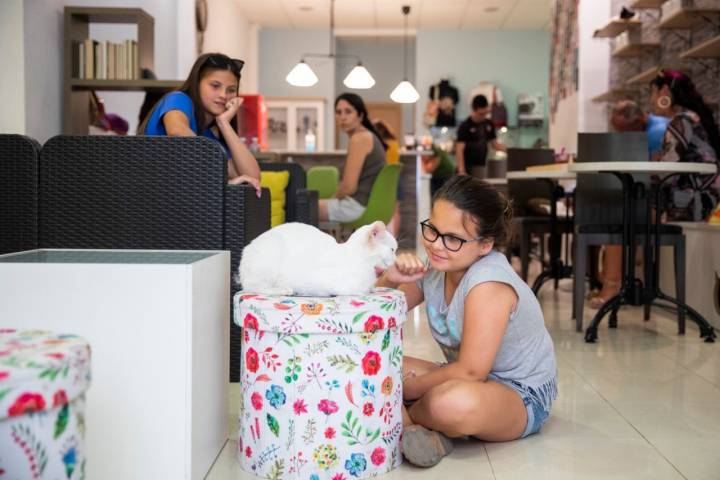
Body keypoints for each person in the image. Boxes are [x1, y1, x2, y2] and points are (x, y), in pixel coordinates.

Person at [377, 176, 557, 467]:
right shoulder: (438, 266)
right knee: (373, 363)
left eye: (453, 239)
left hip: (519, 394)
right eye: (432, 230)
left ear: (485, 245)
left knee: (448, 404)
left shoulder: (488, 284)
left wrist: (407, 390)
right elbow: (374, 320)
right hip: (464, 377)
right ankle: (418, 431)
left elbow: (471, 371)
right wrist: (389, 278)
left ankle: (408, 420)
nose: (436, 245)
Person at [138, 53, 261, 193]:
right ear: (197, 84)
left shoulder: (210, 136)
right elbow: (177, 131)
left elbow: (252, 178)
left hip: (183, 202)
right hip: (151, 197)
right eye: (215, 86)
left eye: (231, 90)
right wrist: (223, 180)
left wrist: (224, 123)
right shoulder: (179, 99)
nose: (223, 95)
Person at [590, 100, 669, 308]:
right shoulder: (653, 127)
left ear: (640, 119)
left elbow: (654, 172)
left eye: (627, 131)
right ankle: (607, 279)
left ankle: (612, 285)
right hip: (658, 196)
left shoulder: (657, 132)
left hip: (668, 200)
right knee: (615, 213)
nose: (625, 137)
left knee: (619, 216)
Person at [650, 70, 720, 221]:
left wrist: (654, 167)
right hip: (706, 197)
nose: (652, 100)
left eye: (654, 93)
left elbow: (667, 168)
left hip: (697, 202)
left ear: (665, 92)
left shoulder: (682, 121)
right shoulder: (691, 117)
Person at [319, 93, 387, 223]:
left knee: (303, 206)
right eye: (338, 112)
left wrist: (332, 199)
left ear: (360, 115)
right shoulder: (366, 136)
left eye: (348, 112)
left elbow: (349, 187)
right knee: (309, 205)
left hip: (356, 206)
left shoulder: (359, 139)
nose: (342, 117)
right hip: (364, 204)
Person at [455, 95, 507, 179]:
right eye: (481, 114)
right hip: (468, 167)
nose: (483, 116)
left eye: (486, 113)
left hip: (481, 166)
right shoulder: (465, 126)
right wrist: (461, 170)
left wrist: (511, 151)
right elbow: (459, 148)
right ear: (474, 110)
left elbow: (495, 144)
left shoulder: (488, 124)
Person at [373, 119, 401, 236]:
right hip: (396, 179)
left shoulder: (378, 145)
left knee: (381, 211)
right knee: (396, 211)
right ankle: (394, 238)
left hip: (382, 180)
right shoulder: (394, 144)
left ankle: (380, 237)